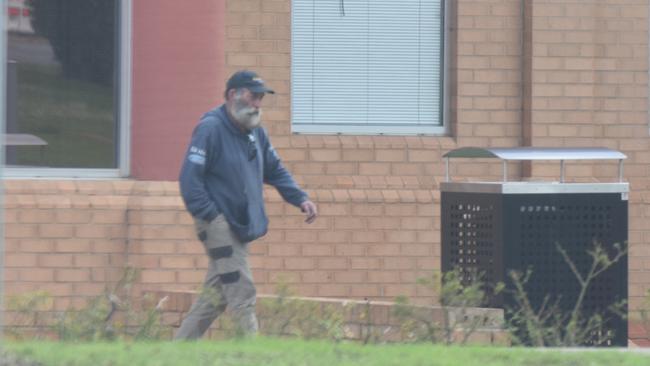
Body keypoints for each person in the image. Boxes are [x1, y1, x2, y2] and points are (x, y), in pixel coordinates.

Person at [175, 70, 318, 339]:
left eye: (260, 98)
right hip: (217, 223)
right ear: (233, 95)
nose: (257, 104)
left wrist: (300, 198)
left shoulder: (255, 133)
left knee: (215, 298)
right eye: (253, 96)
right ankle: (253, 354)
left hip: (239, 224)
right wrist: (211, 216)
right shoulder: (211, 128)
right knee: (242, 290)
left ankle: (173, 354)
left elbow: (274, 170)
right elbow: (189, 180)